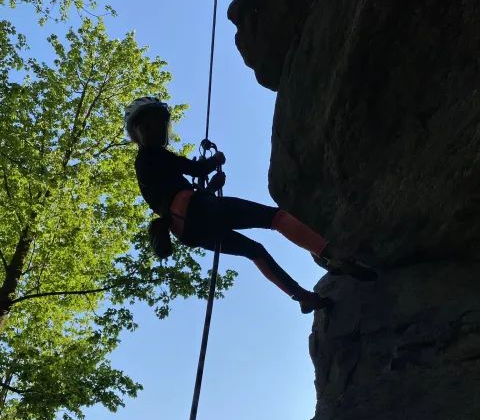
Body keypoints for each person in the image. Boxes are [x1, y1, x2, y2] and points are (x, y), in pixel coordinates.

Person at [125, 97, 377, 314]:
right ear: (139, 134)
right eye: (148, 126)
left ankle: (302, 297)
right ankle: (332, 254)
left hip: (187, 229)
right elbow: (196, 170)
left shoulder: (146, 169)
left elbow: (177, 200)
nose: (154, 130)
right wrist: (216, 160)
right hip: (196, 209)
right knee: (275, 218)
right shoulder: (152, 156)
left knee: (254, 251)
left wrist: (211, 188)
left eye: (156, 125)